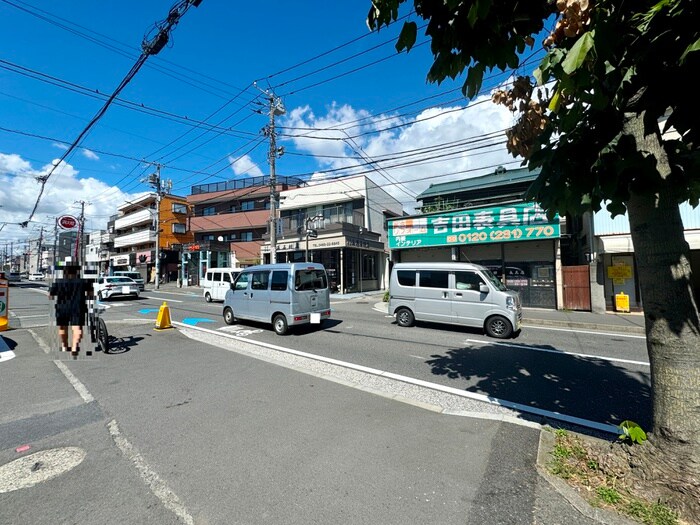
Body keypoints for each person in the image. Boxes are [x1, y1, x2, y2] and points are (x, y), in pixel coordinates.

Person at [48, 264, 94, 358]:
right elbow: (90, 293)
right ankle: (74, 347)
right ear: (77, 272)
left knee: (62, 328)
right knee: (77, 328)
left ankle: (65, 346)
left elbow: (50, 295)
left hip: (62, 308)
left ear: (64, 272)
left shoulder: (58, 282)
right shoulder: (83, 281)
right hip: (78, 307)